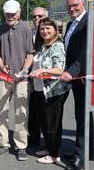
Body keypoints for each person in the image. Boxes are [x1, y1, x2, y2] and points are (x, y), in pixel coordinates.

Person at [0, 0, 34, 161]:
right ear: (4, 13)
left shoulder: (25, 28)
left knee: (21, 112)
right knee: (1, 111)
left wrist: (24, 69)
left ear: (19, 12)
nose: (10, 16)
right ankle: (3, 144)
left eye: (13, 13)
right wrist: (2, 66)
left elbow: (30, 53)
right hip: (3, 76)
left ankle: (21, 145)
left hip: (21, 77)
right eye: (7, 13)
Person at [29, 18, 70, 164]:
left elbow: (59, 69)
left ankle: (54, 154)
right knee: (44, 122)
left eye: (48, 28)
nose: (44, 31)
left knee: (53, 124)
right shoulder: (43, 46)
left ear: (55, 30)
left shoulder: (57, 46)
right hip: (40, 90)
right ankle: (48, 148)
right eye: (42, 29)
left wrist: (43, 70)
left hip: (53, 91)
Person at [60, 0, 93, 170]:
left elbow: (85, 51)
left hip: (81, 76)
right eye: (69, 6)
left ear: (82, 4)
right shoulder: (72, 23)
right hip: (72, 74)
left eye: (75, 5)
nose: (72, 8)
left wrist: (71, 72)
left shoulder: (89, 21)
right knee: (81, 116)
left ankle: (81, 157)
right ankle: (82, 150)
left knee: (83, 116)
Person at [28, 6, 49, 147]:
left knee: (47, 114)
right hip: (32, 79)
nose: (37, 18)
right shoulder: (30, 33)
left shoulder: (50, 33)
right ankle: (34, 139)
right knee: (33, 111)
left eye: (40, 16)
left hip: (47, 82)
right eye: (34, 16)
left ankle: (50, 145)